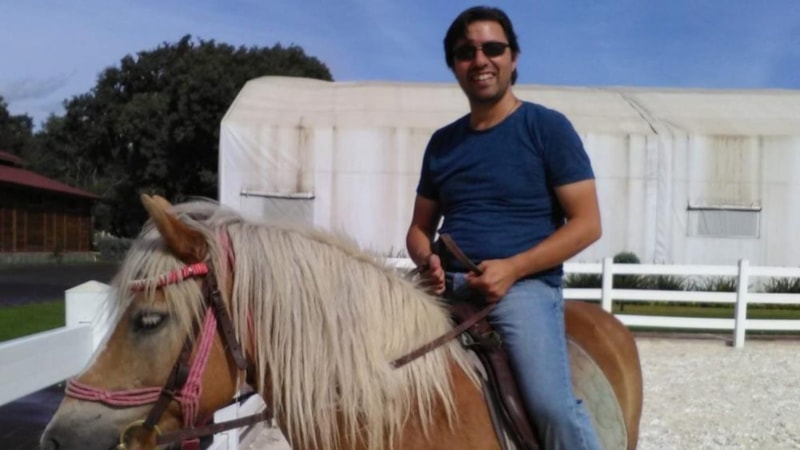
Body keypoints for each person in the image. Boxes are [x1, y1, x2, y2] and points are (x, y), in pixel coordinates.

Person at [405, 6, 603, 450]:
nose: (480, 60)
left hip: (522, 289)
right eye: (466, 52)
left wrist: (513, 268)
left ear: (513, 58)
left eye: (493, 48)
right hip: (446, 287)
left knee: (551, 407)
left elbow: (588, 224)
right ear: (454, 65)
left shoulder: (546, 128)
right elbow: (418, 228)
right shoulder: (442, 143)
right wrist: (426, 259)